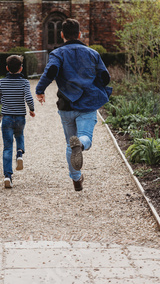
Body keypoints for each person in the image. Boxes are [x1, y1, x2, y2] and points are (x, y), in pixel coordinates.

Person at [35, 18, 112, 191]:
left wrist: (40, 89)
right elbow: (105, 77)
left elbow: (51, 71)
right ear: (79, 34)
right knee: (84, 138)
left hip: (66, 104)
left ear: (61, 35)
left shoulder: (57, 53)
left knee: (70, 143)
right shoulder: (92, 53)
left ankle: (76, 179)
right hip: (88, 103)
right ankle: (82, 145)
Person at [0, 55, 35, 188]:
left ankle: (7, 176)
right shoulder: (24, 82)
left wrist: (4, 101)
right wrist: (32, 109)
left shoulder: (1, 82)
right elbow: (28, 97)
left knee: (7, 147)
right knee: (20, 134)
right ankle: (20, 154)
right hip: (20, 117)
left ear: (7, 68)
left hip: (6, 118)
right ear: (21, 68)